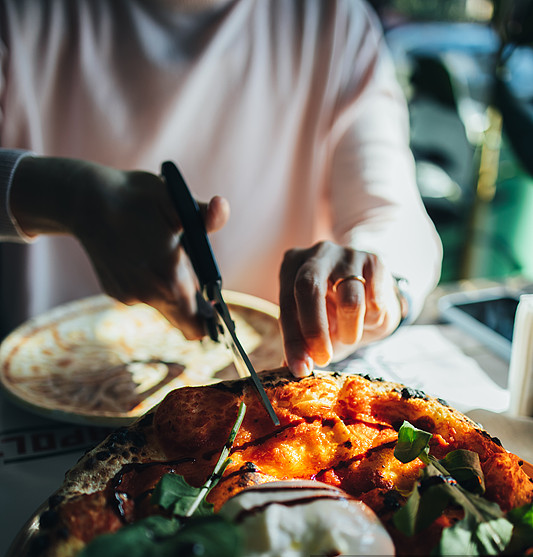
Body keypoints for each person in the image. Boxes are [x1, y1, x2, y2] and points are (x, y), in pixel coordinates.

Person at [0, 0, 442, 377]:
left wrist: (374, 277)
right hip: (31, 408)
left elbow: (396, 216)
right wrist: (69, 197)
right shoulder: (21, 15)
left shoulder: (332, 19)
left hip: (267, 403)